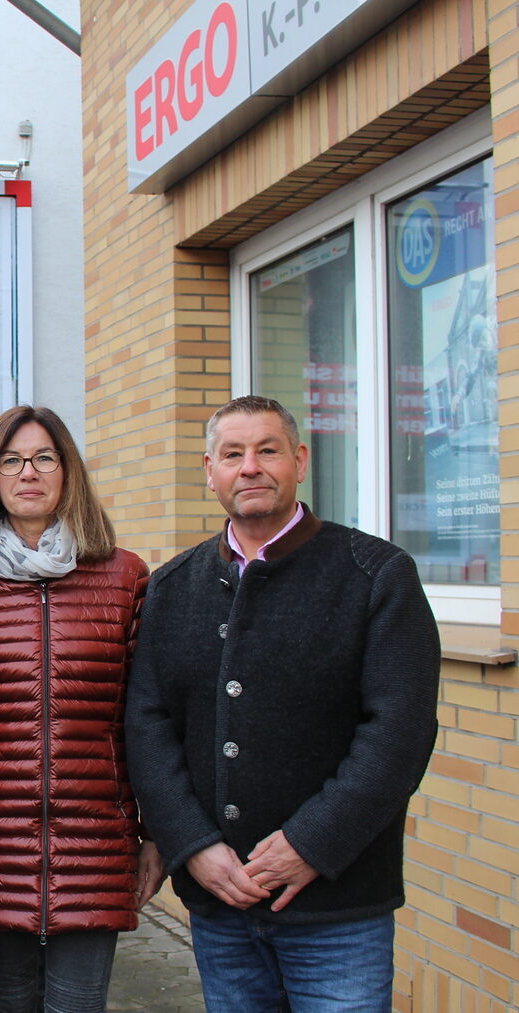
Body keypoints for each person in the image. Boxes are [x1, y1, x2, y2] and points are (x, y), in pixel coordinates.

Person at [125, 395, 440, 1012]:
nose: (250, 467)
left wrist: (311, 844)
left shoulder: (376, 574)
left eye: (267, 450)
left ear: (298, 461)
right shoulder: (172, 584)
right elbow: (148, 723)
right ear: (209, 471)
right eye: (232, 454)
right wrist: (191, 844)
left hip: (337, 904)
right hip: (220, 901)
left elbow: (399, 732)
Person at [0, 405, 162, 1012]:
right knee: (4, 1002)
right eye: (10, 460)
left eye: (43, 457)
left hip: (97, 844)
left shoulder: (123, 577)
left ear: (68, 472)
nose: (27, 472)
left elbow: (145, 722)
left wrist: (154, 835)